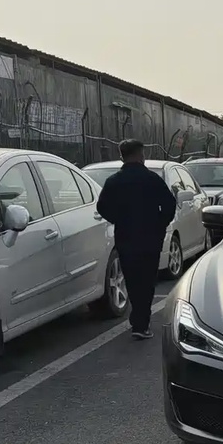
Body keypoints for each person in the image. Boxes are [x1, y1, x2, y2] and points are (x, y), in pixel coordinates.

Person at [96, 139, 177, 339]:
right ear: (140, 155)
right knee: (147, 281)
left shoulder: (114, 181)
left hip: (126, 237)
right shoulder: (152, 179)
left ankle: (138, 321)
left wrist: (118, 219)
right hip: (151, 238)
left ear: (122, 156)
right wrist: (160, 224)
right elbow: (169, 204)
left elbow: (102, 207)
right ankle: (141, 323)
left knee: (132, 280)